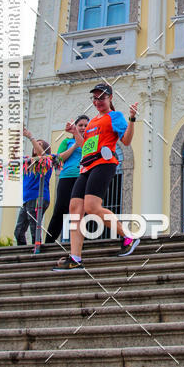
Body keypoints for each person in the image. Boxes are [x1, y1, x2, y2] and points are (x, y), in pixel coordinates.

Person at [52, 83, 138, 271]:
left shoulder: (115, 117)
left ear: (110, 98)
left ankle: (128, 236)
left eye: (102, 97)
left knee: (92, 207)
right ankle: (75, 258)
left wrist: (132, 119)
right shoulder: (91, 123)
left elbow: (126, 140)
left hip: (104, 164)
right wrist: (75, 133)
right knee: (75, 209)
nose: (98, 101)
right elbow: (86, 146)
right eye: (95, 98)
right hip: (86, 166)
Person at [45, 114, 89, 244]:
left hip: (84, 176)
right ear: (75, 126)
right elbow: (59, 159)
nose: (83, 127)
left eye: (86, 125)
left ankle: (83, 242)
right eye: (80, 125)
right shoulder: (67, 141)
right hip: (67, 178)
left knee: (83, 211)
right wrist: (75, 145)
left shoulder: (91, 141)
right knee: (60, 209)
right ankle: (49, 242)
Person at [14, 127, 52, 247]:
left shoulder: (47, 161)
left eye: (39, 144)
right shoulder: (27, 163)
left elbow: (43, 156)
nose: (36, 146)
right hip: (27, 200)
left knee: (34, 227)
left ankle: (37, 252)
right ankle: (24, 253)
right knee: (18, 231)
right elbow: (14, 158)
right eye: (36, 144)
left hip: (38, 197)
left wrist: (31, 137)